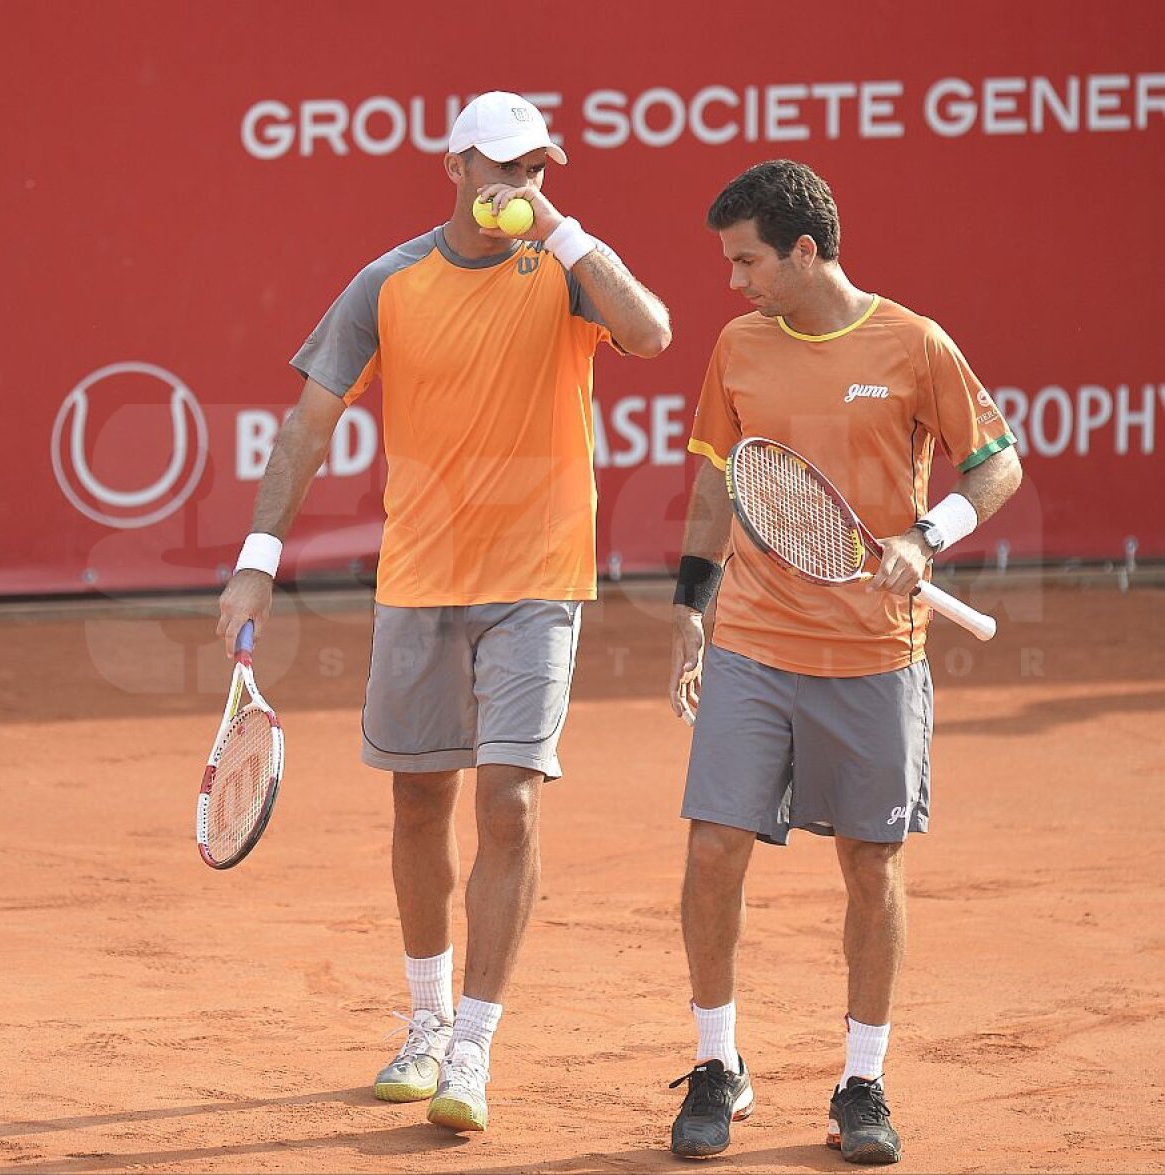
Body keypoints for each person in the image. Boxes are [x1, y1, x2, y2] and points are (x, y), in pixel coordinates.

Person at [217, 90, 671, 1134]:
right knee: (420, 802)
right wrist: (257, 559)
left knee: (508, 802)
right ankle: (422, 1022)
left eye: (539, 168)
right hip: (419, 579)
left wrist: (562, 232)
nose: (521, 184)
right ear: (454, 169)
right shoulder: (389, 283)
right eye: (503, 167)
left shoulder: (565, 268)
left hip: (537, 578)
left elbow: (650, 332)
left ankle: (472, 1041)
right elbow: (308, 421)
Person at [665, 160, 1022, 1164]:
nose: (734, 282)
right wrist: (691, 605)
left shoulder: (914, 344)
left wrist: (926, 535)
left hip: (873, 655)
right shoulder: (736, 346)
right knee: (712, 849)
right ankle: (716, 1062)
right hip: (754, 643)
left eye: (747, 262)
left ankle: (862, 1080)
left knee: (872, 863)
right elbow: (714, 488)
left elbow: (996, 462)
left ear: (805, 250)